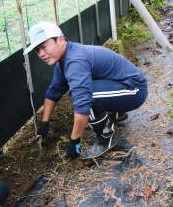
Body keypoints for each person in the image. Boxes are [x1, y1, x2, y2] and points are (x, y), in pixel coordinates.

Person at [24, 22, 148, 160]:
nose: (41, 54)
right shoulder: (64, 60)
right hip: (119, 86)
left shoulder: (75, 60)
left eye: (44, 47)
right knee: (84, 92)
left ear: (60, 39)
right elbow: (53, 92)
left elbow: (83, 103)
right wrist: (45, 123)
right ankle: (118, 113)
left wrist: (74, 141)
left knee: (85, 96)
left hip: (134, 90)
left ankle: (105, 138)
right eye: (37, 50)